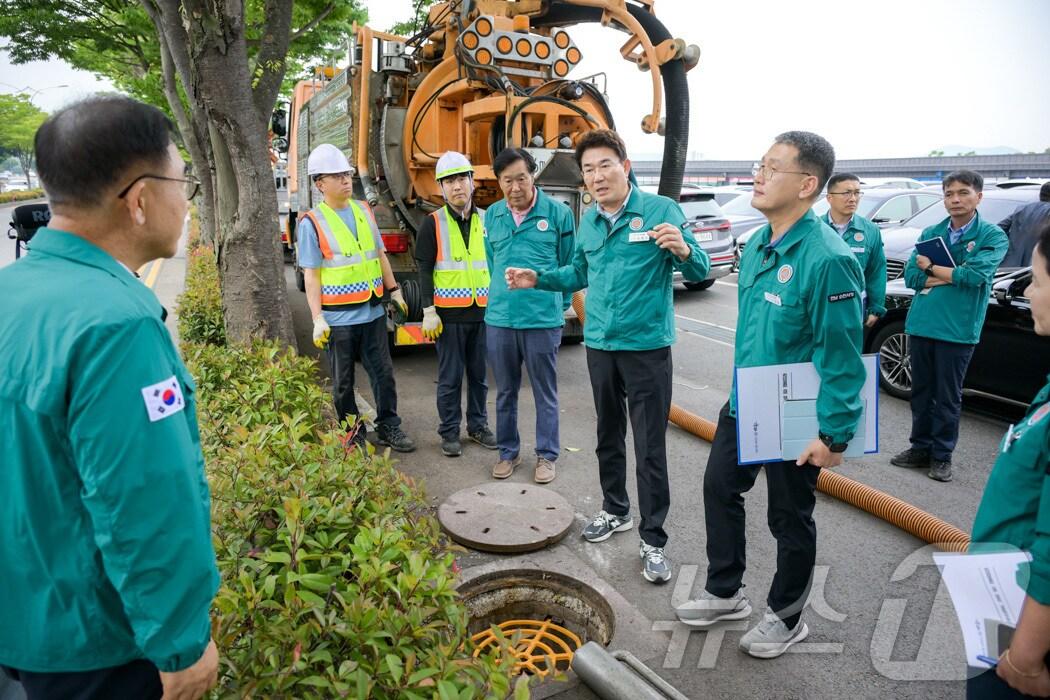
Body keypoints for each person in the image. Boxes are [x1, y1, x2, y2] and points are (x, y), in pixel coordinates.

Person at [0, 95, 219, 699]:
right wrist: (180, 642)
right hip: (98, 644)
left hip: (25, 619)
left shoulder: (10, 291)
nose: (186, 202)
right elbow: (143, 500)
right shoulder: (118, 326)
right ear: (140, 199)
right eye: (183, 183)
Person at [674, 132, 866, 658]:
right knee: (719, 488)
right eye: (760, 165)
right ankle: (725, 592)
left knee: (788, 518)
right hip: (747, 400)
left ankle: (786, 618)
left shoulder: (828, 258)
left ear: (806, 184)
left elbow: (842, 357)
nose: (757, 176)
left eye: (772, 168)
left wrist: (834, 435)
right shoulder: (760, 242)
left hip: (796, 411)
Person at [504, 128, 710, 584]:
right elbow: (578, 272)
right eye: (588, 170)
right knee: (608, 435)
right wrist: (537, 279)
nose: (597, 177)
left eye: (604, 166)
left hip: (647, 348)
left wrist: (684, 249)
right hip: (600, 345)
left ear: (625, 167)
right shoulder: (590, 222)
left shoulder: (660, 211)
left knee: (650, 447)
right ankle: (615, 510)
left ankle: (653, 539)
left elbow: (699, 268)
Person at [965, 221, 1050, 699]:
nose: (1029, 293)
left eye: (1036, 280)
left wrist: (1025, 658)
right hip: (1002, 599)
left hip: (1021, 630)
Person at [891, 170, 1008, 482]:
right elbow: (912, 278)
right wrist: (950, 275)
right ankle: (919, 448)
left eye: (963, 193)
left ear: (978, 197)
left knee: (947, 397)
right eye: (949, 194)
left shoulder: (992, 236)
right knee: (920, 393)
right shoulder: (932, 232)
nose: (955, 199)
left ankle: (941, 456)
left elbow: (976, 277)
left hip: (957, 329)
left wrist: (931, 267)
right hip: (923, 323)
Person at [299, 143, 415, 452]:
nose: (346, 180)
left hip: (373, 312)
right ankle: (353, 434)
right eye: (337, 176)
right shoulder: (312, 223)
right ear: (320, 184)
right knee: (343, 382)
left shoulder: (364, 210)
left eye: (347, 174)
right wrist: (317, 318)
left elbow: (379, 254)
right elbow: (312, 275)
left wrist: (395, 291)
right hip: (338, 320)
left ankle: (389, 426)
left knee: (383, 375)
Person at [483, 147, 575, 483]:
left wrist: (558, 305)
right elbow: (492, 262)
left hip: (542, 320)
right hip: (500, 319)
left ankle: (546, 455)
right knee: (505, 391)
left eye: (521, 178)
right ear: (499, 182)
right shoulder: (492, 215)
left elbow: (569, 265)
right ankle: (507, 452)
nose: (515, 187)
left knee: (544, 392)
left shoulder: (558, 214)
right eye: (507, 181)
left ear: (532, 175)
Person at [413, 151, 497, 456]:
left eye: (462, 178)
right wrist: (428, 311)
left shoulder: (489, 220)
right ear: (441, 187)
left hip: (484, 314)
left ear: (473, 181)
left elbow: (498, 264)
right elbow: (425, 270)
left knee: (479, 378)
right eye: (449, 181)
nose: (457, 186)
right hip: (448, 317)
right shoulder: (432, 223)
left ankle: (478, 426)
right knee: (449, 378)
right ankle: (449, 432)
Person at [821, 173, 887, 327]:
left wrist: (876, 307)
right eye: (846, 193)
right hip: (820, 305)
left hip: (854, 306)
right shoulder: (815, 229)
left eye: (857, 193)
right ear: (829, 197)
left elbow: (876, 270)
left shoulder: (870, 230)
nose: (853, 199)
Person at [998, 181, 1050, 268]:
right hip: (1038, 267)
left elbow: (998, 229)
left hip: (1010, 268)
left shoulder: (1021, 209)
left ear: (1040, 194)